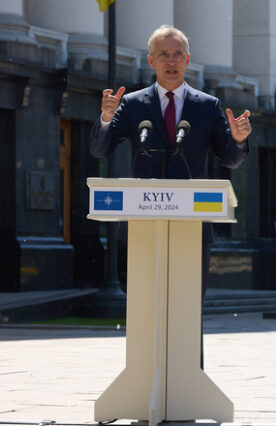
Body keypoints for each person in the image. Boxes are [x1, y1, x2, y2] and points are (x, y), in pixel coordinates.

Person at [89, 25, 252, 367]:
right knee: (146, 305)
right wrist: (106, 118)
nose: (171, 61)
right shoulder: (133, 105)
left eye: (178, 54)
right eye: (164, 54)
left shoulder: (208, 106)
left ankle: (189, 377)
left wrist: (237, 140)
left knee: (187, 305)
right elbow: (100, 149)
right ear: (151, 60)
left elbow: (230, 159)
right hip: (143, 225)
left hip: (192, 226)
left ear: (188, 60)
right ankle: (144, 375)